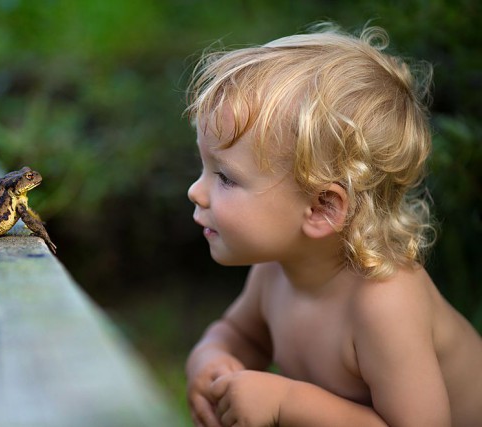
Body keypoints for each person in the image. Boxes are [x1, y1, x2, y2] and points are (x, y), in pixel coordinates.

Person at [185, 23, 482, 427]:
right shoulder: (275, 271)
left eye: (225, 177)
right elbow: (242, 335)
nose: (195, 192)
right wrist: (212, 356)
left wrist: (286, 402)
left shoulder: (384, 301)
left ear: (322, 207)